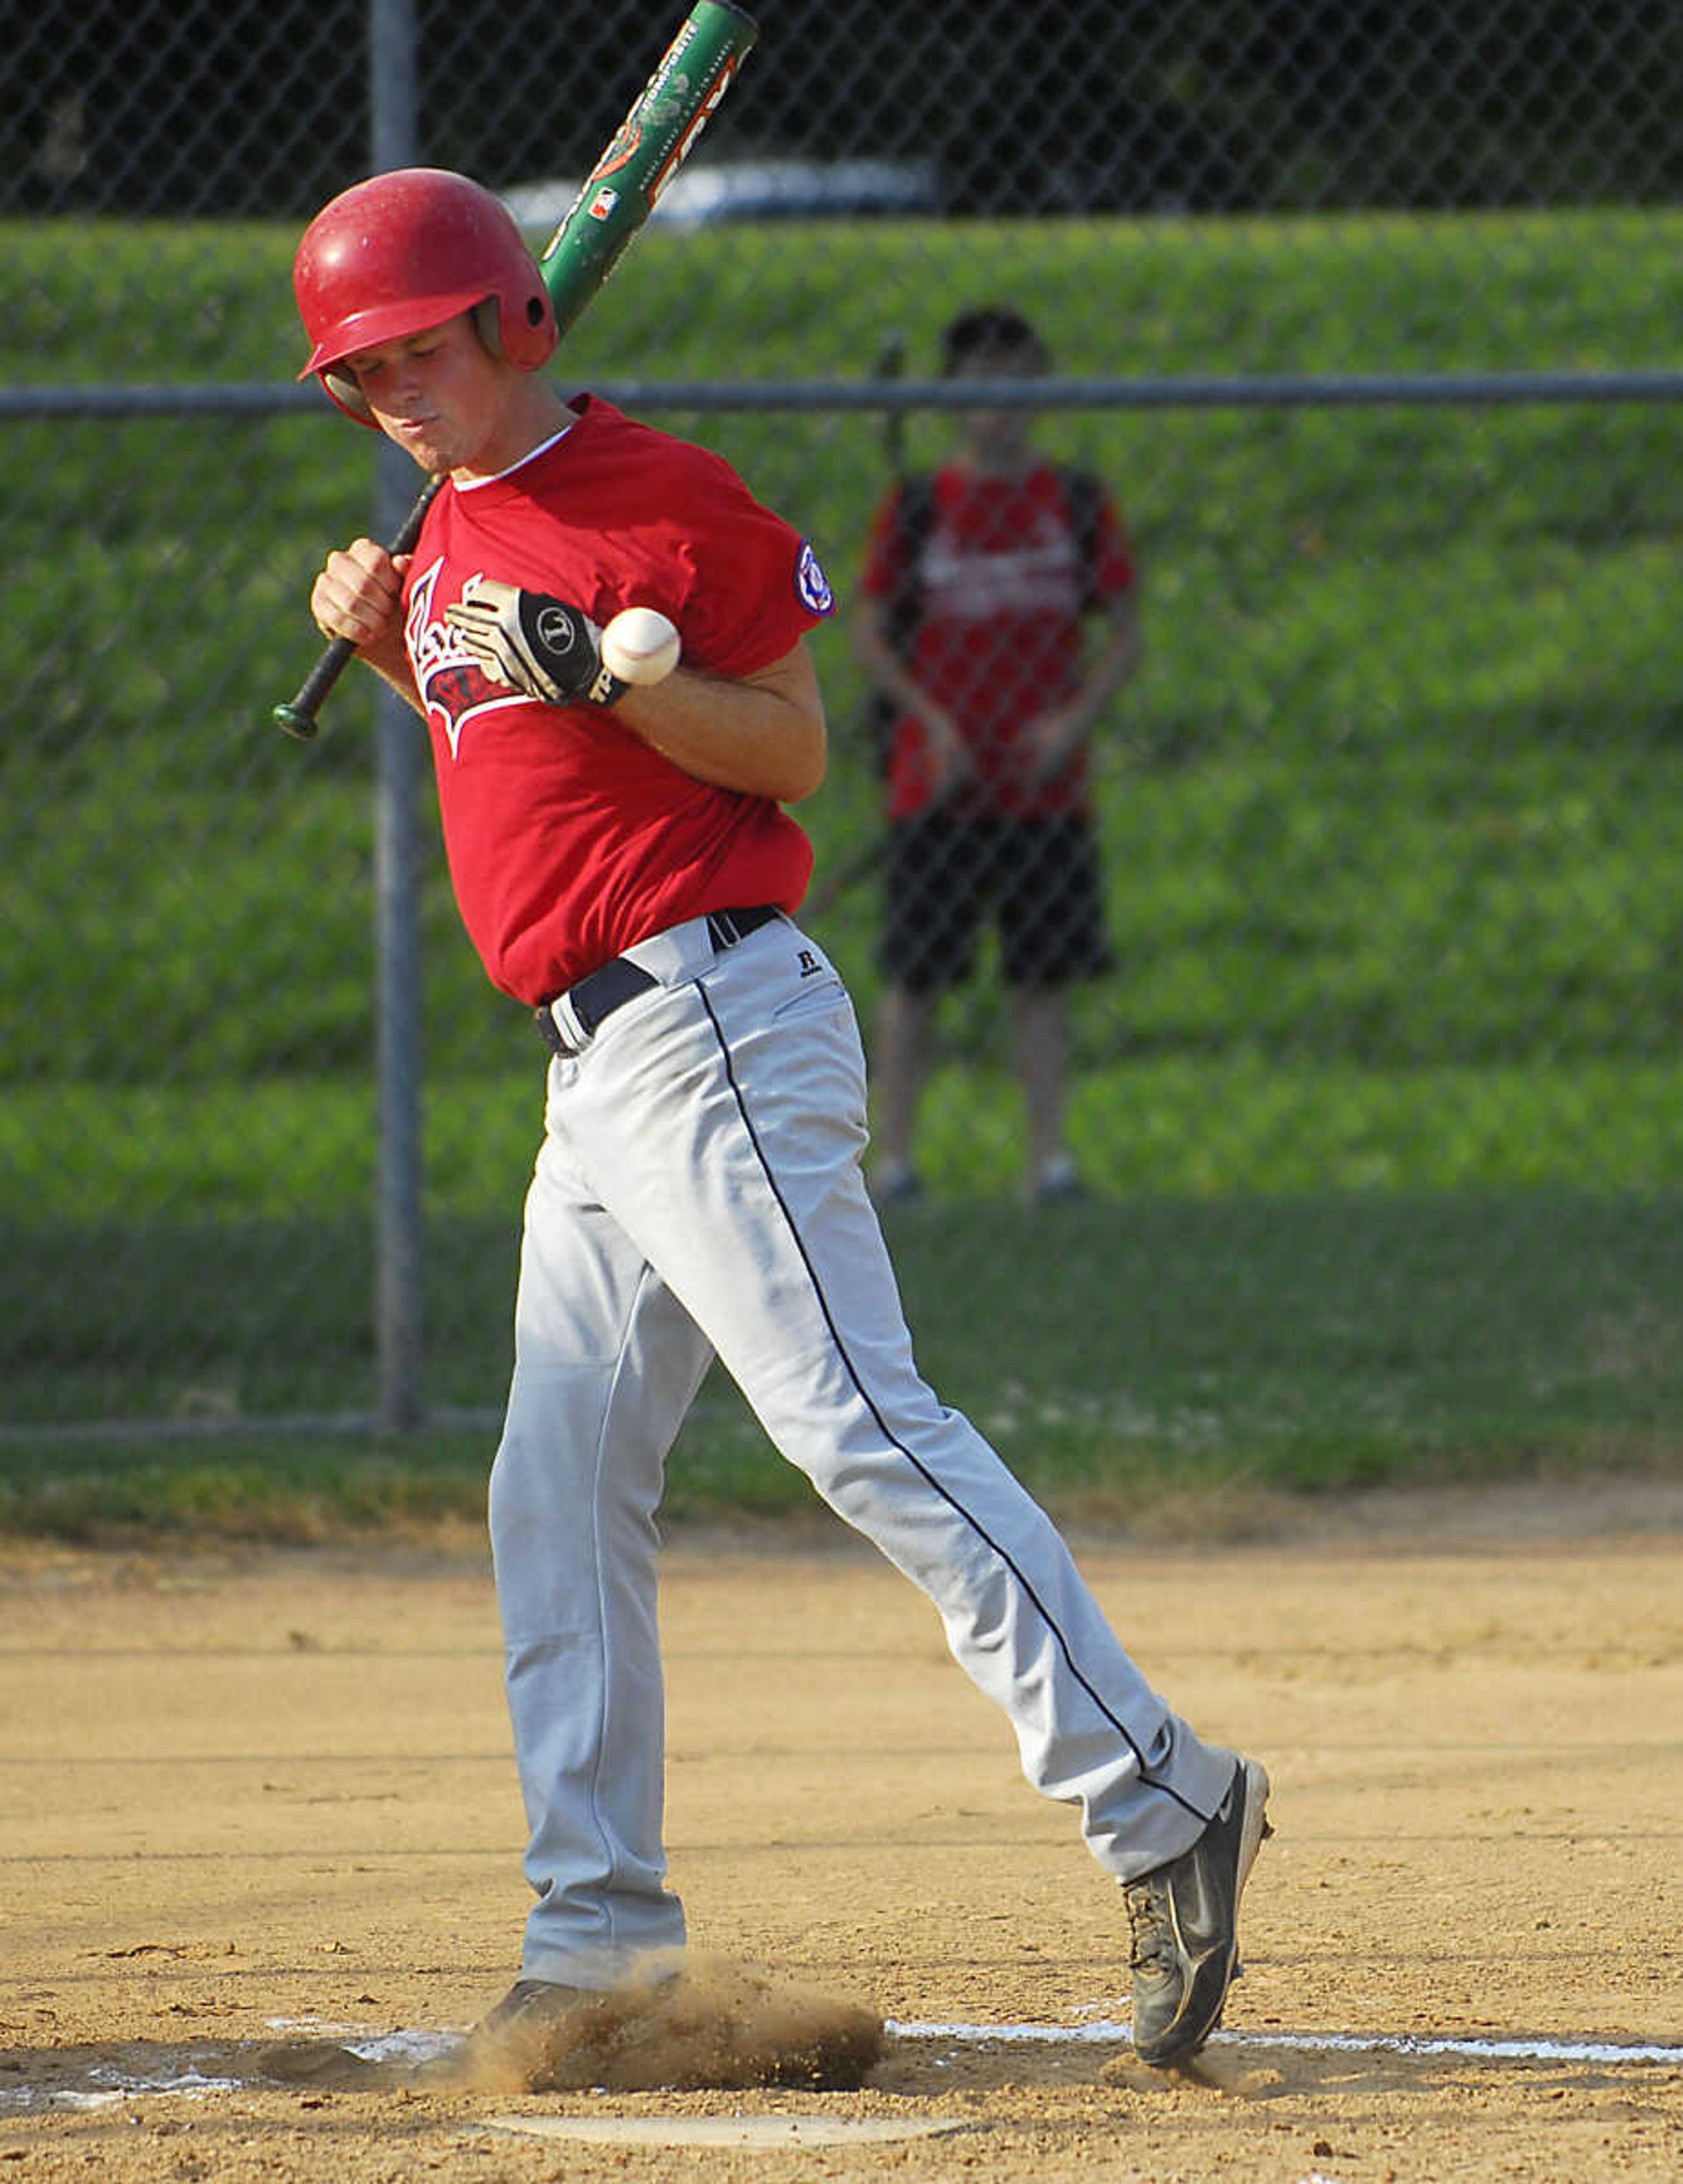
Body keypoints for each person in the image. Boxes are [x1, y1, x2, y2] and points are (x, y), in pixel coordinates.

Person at [291, 167, 1268, 2074]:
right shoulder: (459, 530)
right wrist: (417, 655)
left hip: (712, 1012)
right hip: (589, 1072)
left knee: (857, 1422)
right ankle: (597, 1935)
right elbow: (520, 773)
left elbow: (795, 744)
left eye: (421, 351)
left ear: (513, 323)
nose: (396, 393)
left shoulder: (664, 502)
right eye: (361, 375)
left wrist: (604, 673)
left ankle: (1164, 1798)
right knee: (558, 1485)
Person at [853, 306, 1142, 1207]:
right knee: (915, 977)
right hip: (937, 788)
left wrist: (1070, 726)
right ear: (953, 397)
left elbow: (1125, 632)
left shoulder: (1077, 504)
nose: (1000, 403)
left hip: (1043, 789)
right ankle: (891, 1163)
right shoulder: (920, 507)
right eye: (981, 381)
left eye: (1017, 378)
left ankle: (1048, 1161)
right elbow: (868, 633)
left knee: (1042, 976)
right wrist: (931, 723)